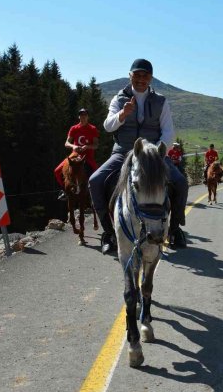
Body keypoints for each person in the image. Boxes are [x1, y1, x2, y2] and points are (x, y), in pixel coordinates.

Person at [88, 58, 189, 254]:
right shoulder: (119, 99)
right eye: (137, 74)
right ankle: (108, 233)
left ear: (151, 78)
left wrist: (158, 153)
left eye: (145, 75)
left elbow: (168, 132)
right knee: (95, 181)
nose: (141, 79)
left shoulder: (161, 101)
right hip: (123, 152)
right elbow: (108, 126)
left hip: (153, 155)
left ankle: (175, 229)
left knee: (181, 182)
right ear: (130, 76)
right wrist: (122, 115)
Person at [54, 108, 99, 200]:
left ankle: (95, 194)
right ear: (79, 116)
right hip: (74, 155)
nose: (83, 117)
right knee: (57, 171)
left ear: (88, 116)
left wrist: (87, 147)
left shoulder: (92, 129)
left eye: (85, 115)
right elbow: (67, 143)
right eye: (81, 115)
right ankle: (65, 191)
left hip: (88, 157)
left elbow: (96, 145)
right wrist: (73, 146)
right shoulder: (74, 128)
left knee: (97, 174)